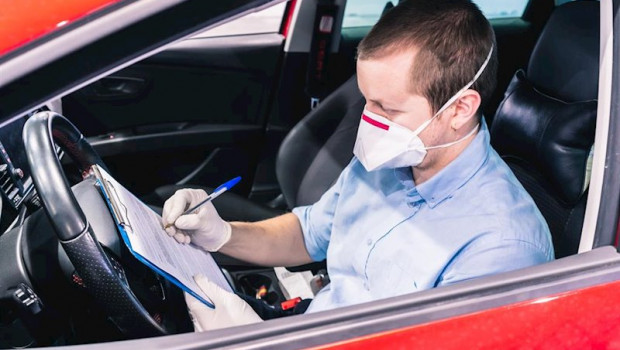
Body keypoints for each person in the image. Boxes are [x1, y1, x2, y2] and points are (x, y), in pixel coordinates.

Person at [163, 0, 554, 331]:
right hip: (314, 323)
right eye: (366, 99)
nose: (368, 120)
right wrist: (222, 234)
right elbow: (308, 233)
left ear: (460, 108)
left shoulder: (502, 248)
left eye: (387, 108)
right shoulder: (393, 157)